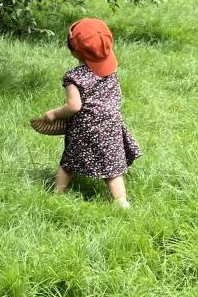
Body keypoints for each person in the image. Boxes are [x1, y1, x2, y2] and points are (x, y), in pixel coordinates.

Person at [34, 17, 141, 208]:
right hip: (111, 125)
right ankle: (122, 202)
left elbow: (74, 106)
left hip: (85, 128)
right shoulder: (111, 70)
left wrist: (54, 114)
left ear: (74, 50)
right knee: (112, 169)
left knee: (69, 163)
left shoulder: (74, 77)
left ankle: (56, 196)